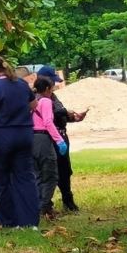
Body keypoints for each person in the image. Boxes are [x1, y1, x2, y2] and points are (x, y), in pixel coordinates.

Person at [0, 55, 40, 229]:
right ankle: (29, 221)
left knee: (2, 178)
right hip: (24, 134)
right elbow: (34, 105)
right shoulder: (21, 84)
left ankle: (7, 220)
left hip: (2, 137)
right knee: (25, 177)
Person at [37, 65, 87, 212]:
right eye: (52, 82)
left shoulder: (52, 96)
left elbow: (59, 114)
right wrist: (66, 112)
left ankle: (68, 200)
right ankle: (46, 204)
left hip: (60, 135)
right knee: (48, 172)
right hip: (49, 138)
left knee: (65, 170)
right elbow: (51, 116)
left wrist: (73, 117)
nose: (54, 85)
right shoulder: (38, 98)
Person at [31, 77, 65, 220]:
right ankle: (44, 207)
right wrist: (59, 140)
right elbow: (48, 122)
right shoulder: (45, 101)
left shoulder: (32, 101)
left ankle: (37, 205)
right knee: (51, 176)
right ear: (46, 89)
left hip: (31, 139)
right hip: (43, 139)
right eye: (51, 88)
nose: (52, 91)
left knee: (37, 175)